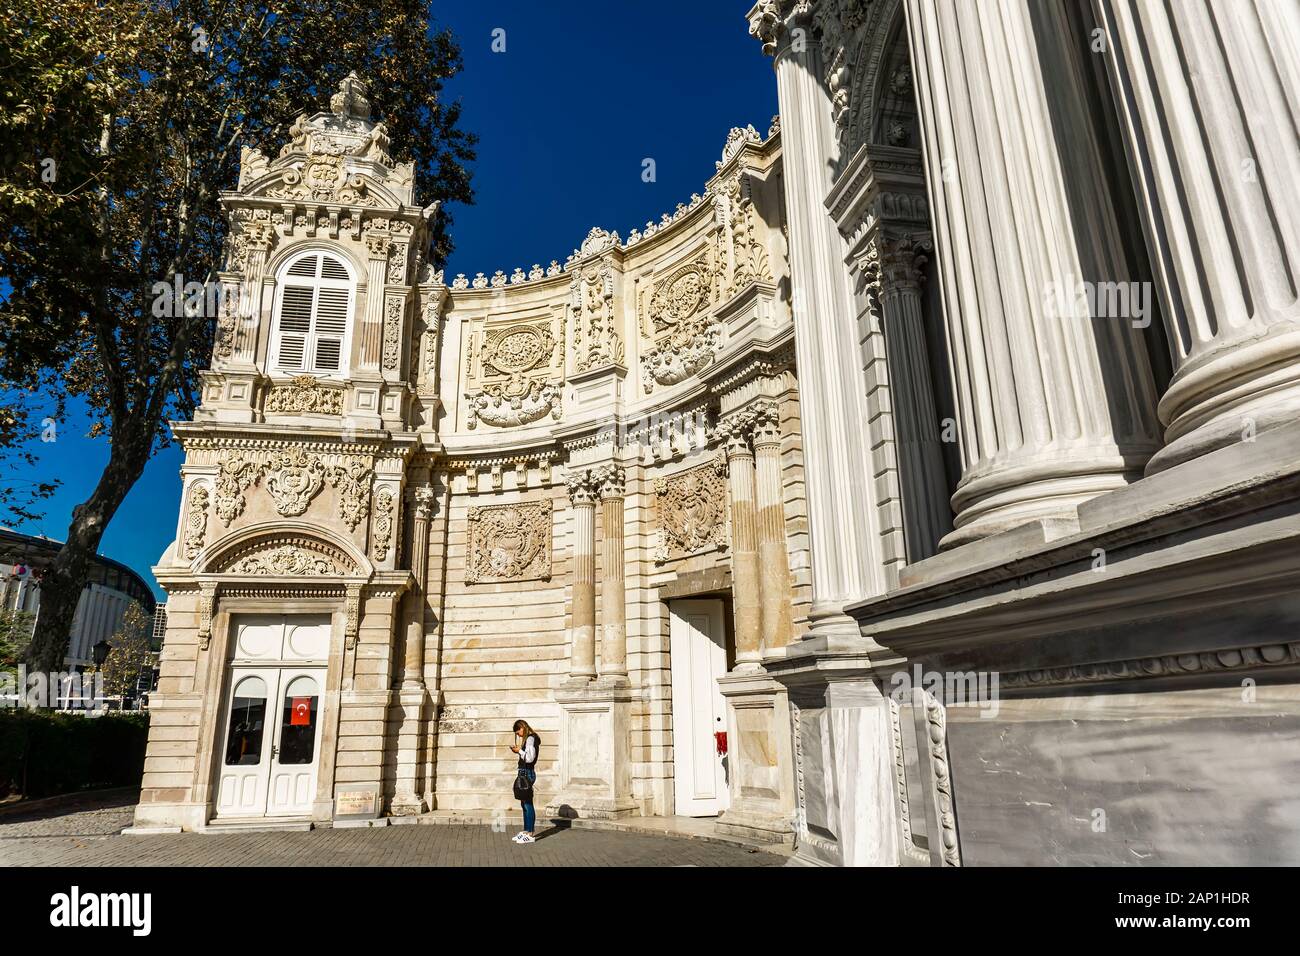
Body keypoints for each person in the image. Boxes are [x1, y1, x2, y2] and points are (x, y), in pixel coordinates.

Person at [510, 718, 540, 844]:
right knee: (524, 803)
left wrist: (519, 751)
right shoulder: (528, 739)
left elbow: (529, 758)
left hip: (527, 773)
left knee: (528, 803)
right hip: (523, 773)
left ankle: (531, 833)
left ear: (522, 727)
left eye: (518, 732)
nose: (518, 734)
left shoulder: (531, 739)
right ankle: (526, 830)